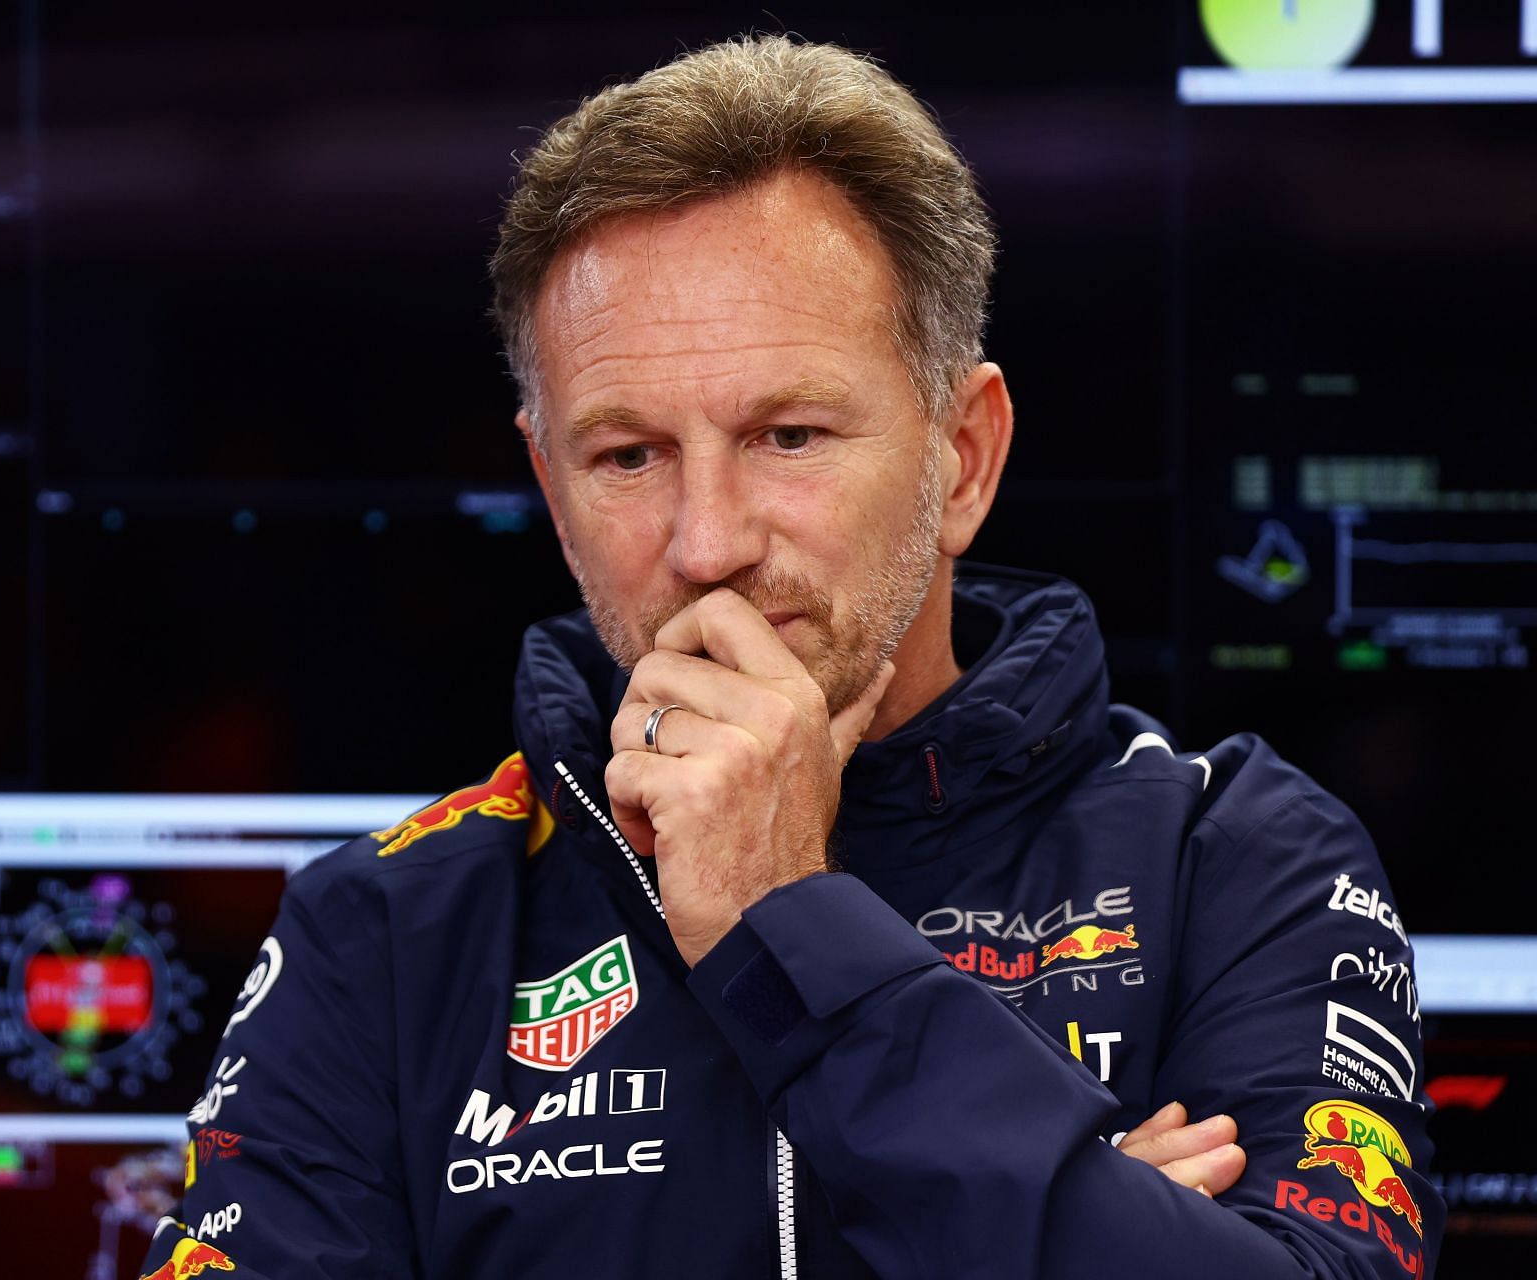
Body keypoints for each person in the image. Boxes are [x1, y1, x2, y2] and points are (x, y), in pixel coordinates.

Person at [139, 35, 1440, 1278]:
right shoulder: (386, 929)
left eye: (789, 435)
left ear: (962, 457)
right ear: (549, 480)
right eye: (628, 456)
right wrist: (1087, 1221)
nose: (707, 543)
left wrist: (787, 922)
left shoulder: (1234, 856)